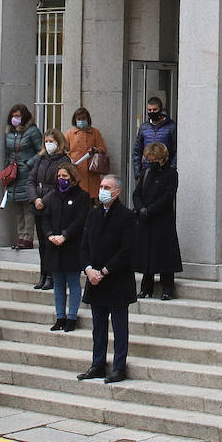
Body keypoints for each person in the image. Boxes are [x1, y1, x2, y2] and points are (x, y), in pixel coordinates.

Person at [78, 174, 137, 384]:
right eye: (101, 186)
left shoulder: (126, 216)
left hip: (116, 280)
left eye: (107, 187)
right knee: (98, 326)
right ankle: (97, 364)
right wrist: (88, 270)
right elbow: (84, 245)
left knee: (119, 327)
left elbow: (126, 249)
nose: (102, 189)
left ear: (117, 192)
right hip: (95, 280)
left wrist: (104, 271)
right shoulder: (93, 215)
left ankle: (119, 366)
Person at [133, 142, 182, 300]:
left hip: (163, 220)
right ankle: (146, 288)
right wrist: (141, 208)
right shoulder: (146, 173)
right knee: (147, 255)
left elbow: (168, 197)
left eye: (153, 159)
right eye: (148, 159)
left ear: (162, 159)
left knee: (164, 255)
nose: (150, 162)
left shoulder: (171, 174)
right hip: (145, 219)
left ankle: (167, 288)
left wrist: (151, 209)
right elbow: (137, 193)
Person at [28, 128, 73, 290]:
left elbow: (58, 185)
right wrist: (35, 198)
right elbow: (31, 180)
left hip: (53, 205)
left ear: (58, 143)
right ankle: (43, 274)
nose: (48, 145)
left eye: (51, 142)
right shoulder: (40, 159)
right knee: (41, 242)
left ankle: (51, 276)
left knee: (50, 242)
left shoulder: (64, 160)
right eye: (46, 142)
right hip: (38, 203)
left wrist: (44, 200)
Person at [44, 165, 87, 330]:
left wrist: (65, 235)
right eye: (59, 175)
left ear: (73, 177)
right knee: (58, 283)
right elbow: (46, 217)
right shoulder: (53, 195)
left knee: (73, 282)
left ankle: (72, 318)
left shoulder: (81, 196)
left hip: (72, 245)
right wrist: (50, 234)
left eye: (65, 176)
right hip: (54, 245)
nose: (62, 179)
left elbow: (80, 220)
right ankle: (60, 317)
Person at [3, 103, 43, 251]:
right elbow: (8, 153)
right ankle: (20, 236)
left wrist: (29, 164)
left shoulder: (33, 131)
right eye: (13, 116)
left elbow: (41, 151)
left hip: (27, 173)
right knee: (17, 207)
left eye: (18, 116)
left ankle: (28, 237)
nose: (15, 119)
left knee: (27, 207)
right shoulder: (10, 133)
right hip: (14, 174)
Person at [65, 107, 108, 200]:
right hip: (76, 170)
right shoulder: (69, 134)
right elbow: (65, 151)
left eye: (83, 119)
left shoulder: (95, 132)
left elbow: (103, 149)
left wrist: (95, 150)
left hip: (91, 170)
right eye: (79, 119)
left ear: (88, 119)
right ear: (75, 120)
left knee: (91, 198)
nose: (81, 121)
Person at [131, 96, 177, 184]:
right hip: (147, 169)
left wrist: (171, 168)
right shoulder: (144, 127)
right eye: (149, 110)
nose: (152, 112)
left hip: (165, 169)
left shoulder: (171, 127)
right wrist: (138, 173)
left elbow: (176, 150)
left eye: (155, 110)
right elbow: (137, 151)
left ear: (161, 110)